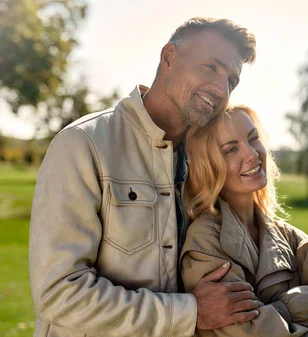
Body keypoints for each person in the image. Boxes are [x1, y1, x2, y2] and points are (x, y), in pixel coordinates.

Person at [29, 17, 261, 337]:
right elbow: (58, 293)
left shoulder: (206, 160)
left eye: (231, 81)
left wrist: (305, 259)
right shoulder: (84, 144)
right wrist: (190, 312)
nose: (221, 89)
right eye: (210, 67)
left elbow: (242, 231)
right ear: (169, 57)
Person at [180, 105, 308, 337]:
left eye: (254, 139)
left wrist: (270, 311)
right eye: (231, 149)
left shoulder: (289, 235)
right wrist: (304, 303)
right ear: (208, 165)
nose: (253, 154)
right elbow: (242, 332)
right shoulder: (205, 240)